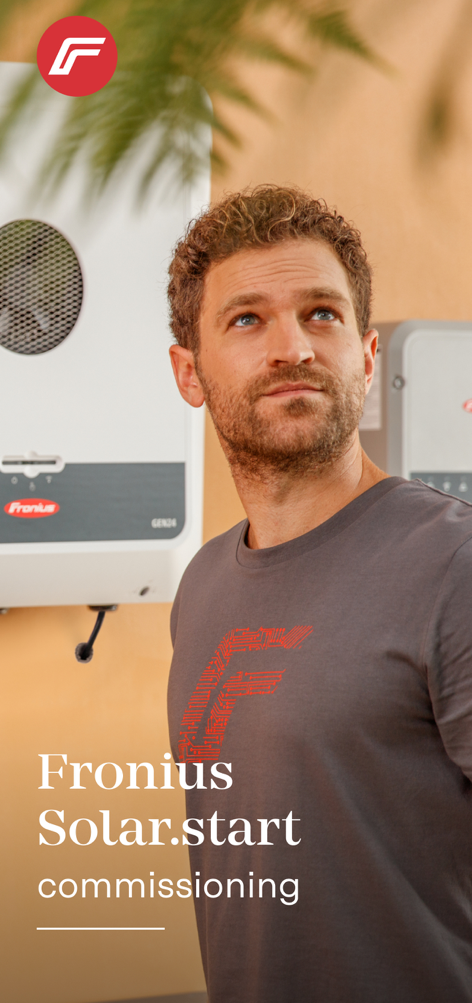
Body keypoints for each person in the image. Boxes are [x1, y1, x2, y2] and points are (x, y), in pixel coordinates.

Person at [166, 185, 472, 1003]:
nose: (293, 347)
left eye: (321, 314)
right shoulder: (201, 585)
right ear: (189, 374)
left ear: (367, 356)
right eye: (247, 319)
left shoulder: (454, 567)